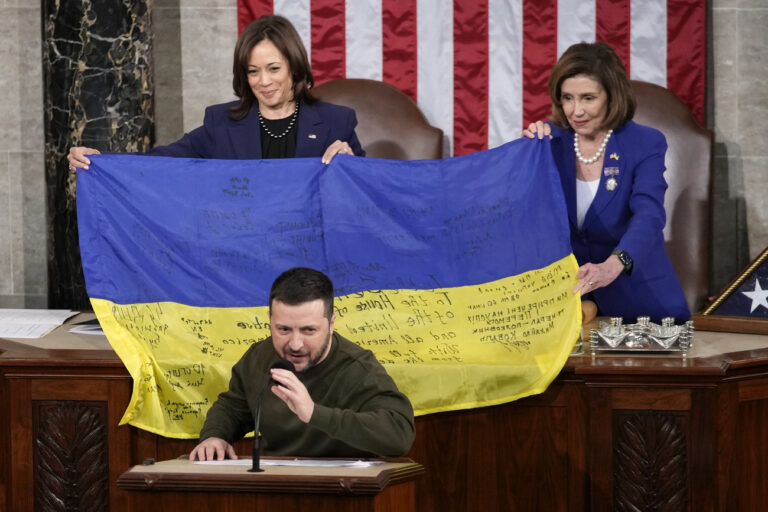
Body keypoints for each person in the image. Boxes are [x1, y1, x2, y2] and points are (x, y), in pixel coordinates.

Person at [522, 42, 689, 323]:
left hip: (639, 301)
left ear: (612, 96)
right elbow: (524, 214)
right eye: (568, 98)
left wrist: (614, 264)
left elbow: (648, 215)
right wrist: (524, 156)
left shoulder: (645, 143)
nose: (576, 111)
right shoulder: (548, 142)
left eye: (588, 98)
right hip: (569, 303)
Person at [67, 15, 364, 171]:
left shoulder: (337, 122)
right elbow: (162, 161)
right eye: (252, 71)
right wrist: (100, 161)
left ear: (294, 68)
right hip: (243, 257)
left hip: (311, 264)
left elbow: (372, 190)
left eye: (273, 68)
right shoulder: (220, 122)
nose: (263, 81)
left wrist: (352, 165)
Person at [189, 267, 415, 461]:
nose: (295, 344)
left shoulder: (358, 367)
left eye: (309, 330)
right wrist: (215, 436)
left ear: (331, 323)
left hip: (342, 490)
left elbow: (399, 436)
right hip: (274, 484)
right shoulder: (259, 356)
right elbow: (233, 408)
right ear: (270, 319)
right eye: (283, 329)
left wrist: (314, 413)